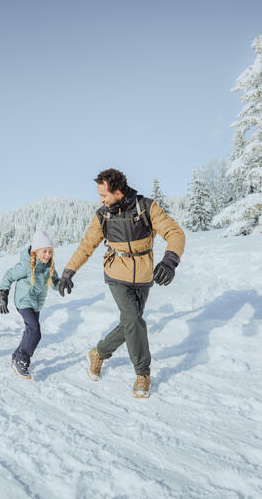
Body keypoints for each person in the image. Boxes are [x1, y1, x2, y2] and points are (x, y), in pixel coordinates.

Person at [58, 168, 185, 398]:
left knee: (130, 323)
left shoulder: (145, 207)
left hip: (144, 276)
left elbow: (175, 233)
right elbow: (86, 246)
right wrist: (69, 270)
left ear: (118, 192)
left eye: (104, 195)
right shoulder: (103, 215)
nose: (101, 200)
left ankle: (99, 353)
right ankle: (143, 373)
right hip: (117, 274)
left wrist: (170, 260)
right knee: (133, 319)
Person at [0, 229, 60, 380]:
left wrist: (63, 285)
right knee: (35, 330)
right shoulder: (26, 265)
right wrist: (3, 294)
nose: (47, 255)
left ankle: (16, 355)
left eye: (50, 252)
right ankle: (22, 360)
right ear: (36, 251)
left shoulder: (48, 265)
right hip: (23, 301)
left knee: (29, 331)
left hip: (36, 303)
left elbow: (55, 281)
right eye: (44, 251)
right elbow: (9, 275)